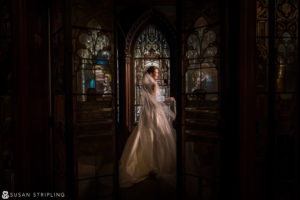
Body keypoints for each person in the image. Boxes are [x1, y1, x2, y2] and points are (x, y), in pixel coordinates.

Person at [119, 66, 176, 188]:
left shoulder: (144, 84)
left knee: (145, 134)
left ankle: (144, 163)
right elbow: (155, 103)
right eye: (156, 72)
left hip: (146, 113)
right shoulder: (154, 85)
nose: (157, 74)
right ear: (150, 73)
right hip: (154, 114)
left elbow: (149, 102)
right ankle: (154, 164)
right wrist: (168, 100)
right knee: (157, 135)